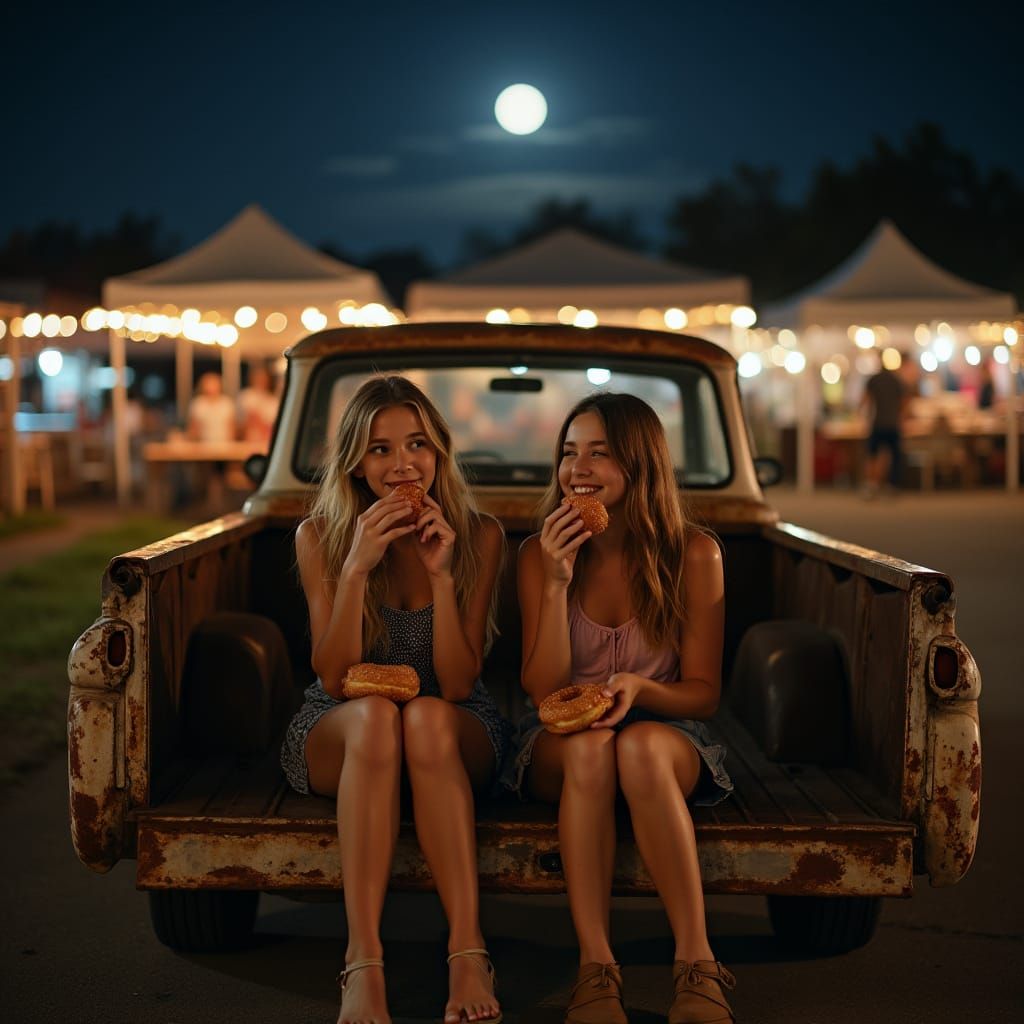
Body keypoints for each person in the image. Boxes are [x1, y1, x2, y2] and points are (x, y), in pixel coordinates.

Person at [279, 375, 509, 1024]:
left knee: (429, 716)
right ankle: (363, 960)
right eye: (380, 450)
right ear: (356, 461)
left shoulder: (480, 535)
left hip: (451, 724)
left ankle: (468, 950)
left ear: (440, 453)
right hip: (346, 728)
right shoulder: (320, 536)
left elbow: (460, 685)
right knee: (378, 716)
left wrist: (439, 575)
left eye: (417, 445)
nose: (402, 464)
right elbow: (333, 678)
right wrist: (355, 565)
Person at [510, 392, 735, 1024]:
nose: (577, 469)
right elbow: (542, 689)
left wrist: (640, 688)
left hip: (662, 730)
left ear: (640, 464)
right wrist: (556, 580)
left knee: (634, 746)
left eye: (599, 454)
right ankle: (595, 968)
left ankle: (697, 965)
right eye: (568, 452)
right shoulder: (537, 555)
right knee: (590, 748)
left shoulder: (694, 553)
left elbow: (704, 692)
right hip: (562, 738)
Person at [860, 363, 907, 496]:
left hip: (878, 423)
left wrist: (863, 417)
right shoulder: (897, 380)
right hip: (893, 424)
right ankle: (892, 485)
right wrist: (900, 417)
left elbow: (865, 400)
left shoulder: (873, 380)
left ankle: (871, 484)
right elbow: (904, 402)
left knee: (872, 455)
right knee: (894, 456)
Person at [237, 363, 280, 446]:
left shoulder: (273, 400)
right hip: (248, 441)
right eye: (257, 377)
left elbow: (272, 425)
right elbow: (243, 422)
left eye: (263, 378)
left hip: (266, 441)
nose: (260, 380)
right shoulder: (246, 396)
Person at [187, 372, 236, 443]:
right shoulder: (198, 403)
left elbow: (231, 427)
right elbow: (194, 428)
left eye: (214, 384)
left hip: (224, 444)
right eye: (208, 384)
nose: (211, 387)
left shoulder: (227, 403)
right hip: (203, 444)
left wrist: (230, 444)